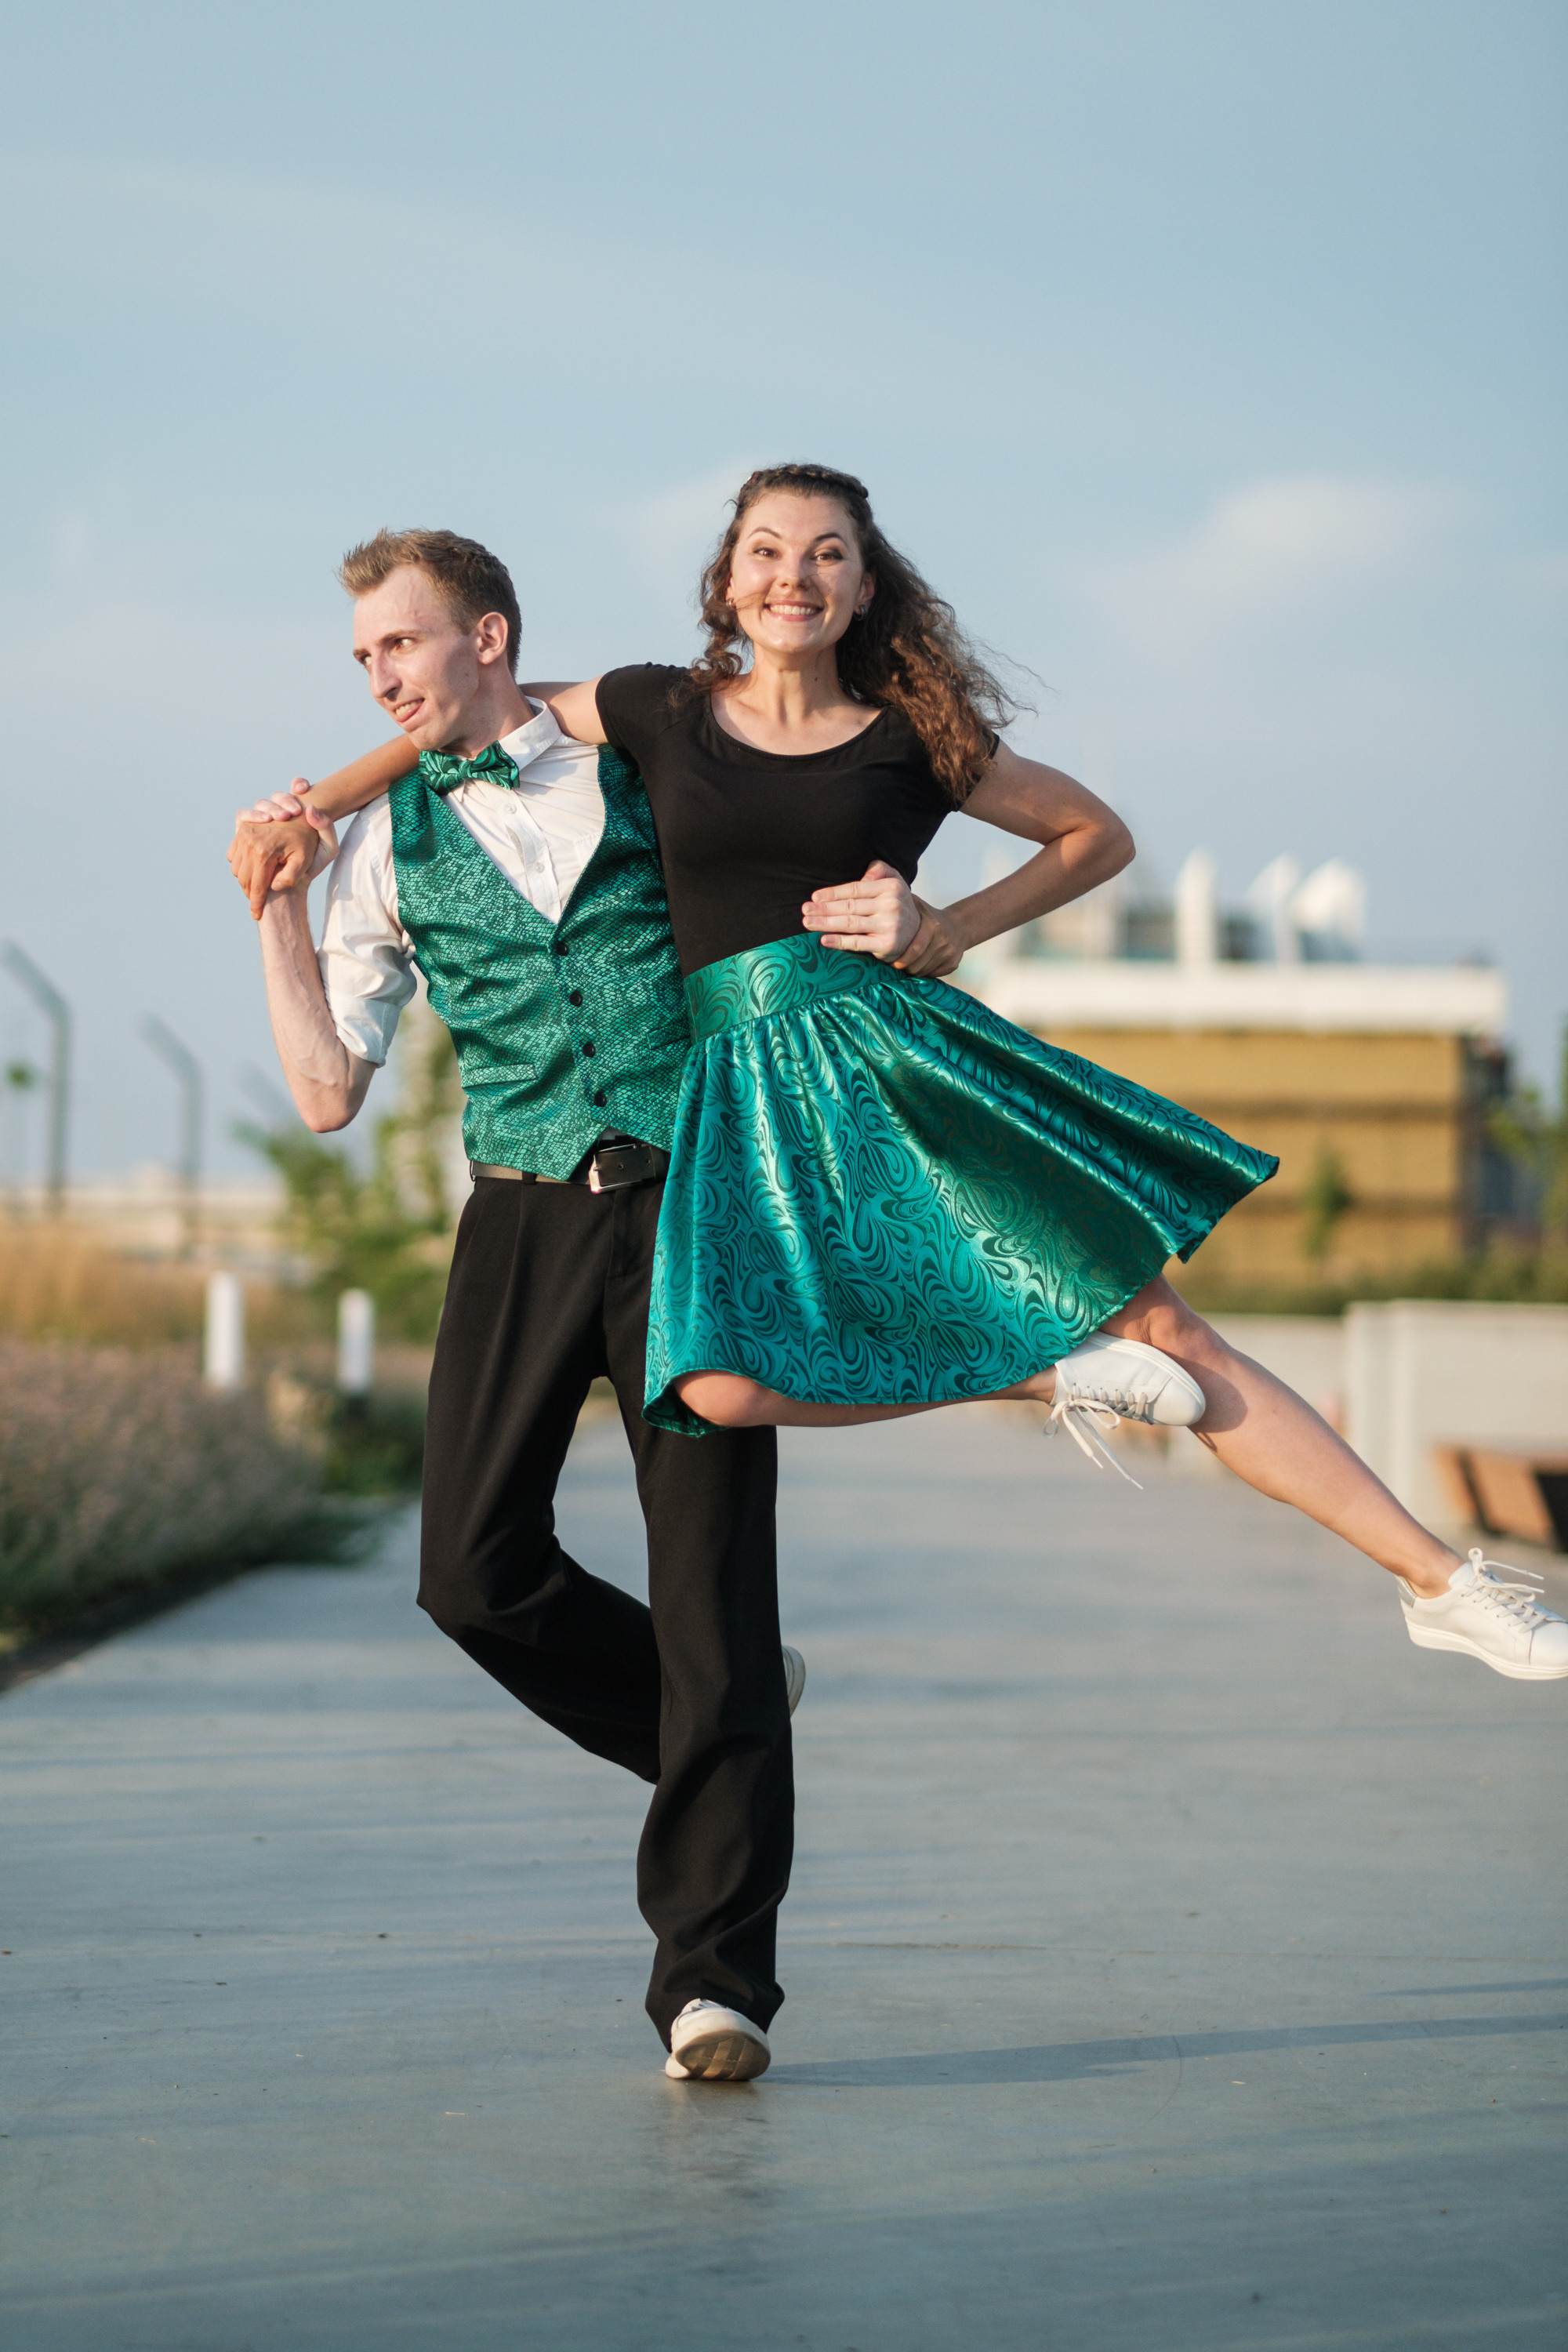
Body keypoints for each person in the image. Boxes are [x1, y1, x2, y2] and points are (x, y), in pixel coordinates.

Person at [232, 474, 1568, 1687]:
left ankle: (1443, 1583)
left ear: (866, 586)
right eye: (767, 549)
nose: (793, 574)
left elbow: (1094, 836)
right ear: (727, 579)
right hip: (743, 1094)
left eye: (827, 554)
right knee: (717, 1383)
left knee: (1166, 1326)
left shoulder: (912, 737)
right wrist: (316, 810)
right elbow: (472, 720)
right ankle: (1049, 1376)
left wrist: (947, 928)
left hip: (892, 1062)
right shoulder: (656, 708)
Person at [244, 526, 818, 2089]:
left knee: (712, 1585)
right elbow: (324, 1094)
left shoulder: (641, 763)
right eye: (363, 658)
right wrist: (280, 914)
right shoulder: (381, 844)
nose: (380, 677)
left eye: (401, 643)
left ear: (488, 636)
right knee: (472, 1574)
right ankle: (722, 1726)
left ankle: (714, 1987)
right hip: (518, 1211)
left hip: (688, 1203)